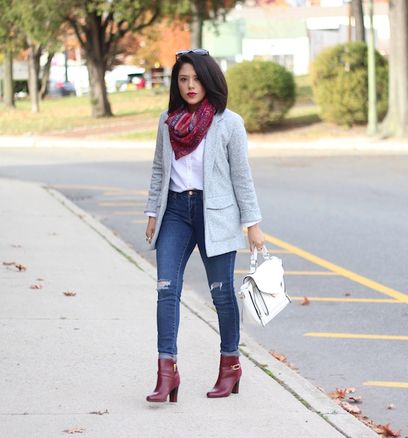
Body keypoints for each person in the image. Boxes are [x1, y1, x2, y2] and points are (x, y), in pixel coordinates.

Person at [144, 49, 264, 403]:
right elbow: (157, 170)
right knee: (166, 288)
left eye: (196, 79)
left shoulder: (229, 123)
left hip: (216, 214)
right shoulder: (167, 120)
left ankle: (230, 367)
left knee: (221, 293)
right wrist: (153, 212)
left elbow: (242, 176)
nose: (190, 85)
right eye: (183, 79)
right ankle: (167, 372)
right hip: (176, 213)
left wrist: (252, 223)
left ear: (209, 80)